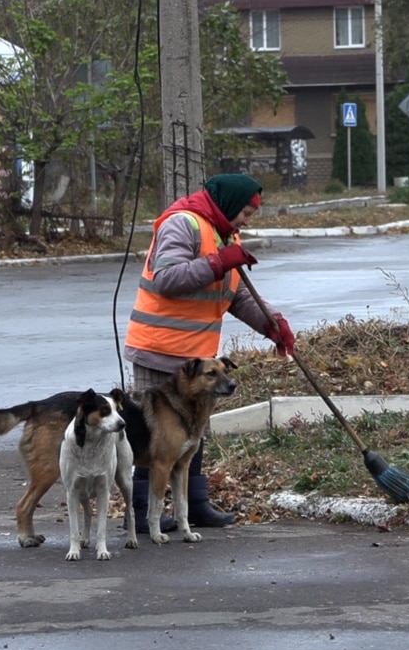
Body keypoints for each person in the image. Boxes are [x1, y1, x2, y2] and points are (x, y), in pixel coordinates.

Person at [125, 173, 295, 531]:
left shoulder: (225, 233)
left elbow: (234, 294)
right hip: (159, 350)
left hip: (197, 358)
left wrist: (271, 323)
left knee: (194, 432)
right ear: (229, 204)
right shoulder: (182, 224)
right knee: (150, 433)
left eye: (250, 215)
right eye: (245, 213)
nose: (246, 222)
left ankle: (195, 505)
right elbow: (167, 278)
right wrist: (220, 261)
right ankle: (141, 511)